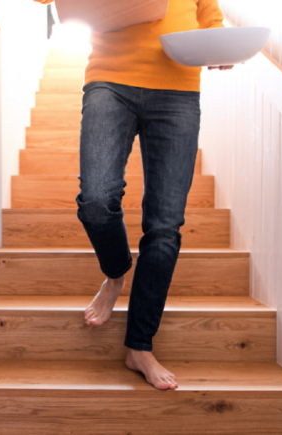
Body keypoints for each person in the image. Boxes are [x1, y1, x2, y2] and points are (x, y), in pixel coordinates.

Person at [34, 0, 233, 390]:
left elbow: (208, 9)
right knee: (95, 200)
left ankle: (139, 347)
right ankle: (115, 273)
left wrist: (218, 42)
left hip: (178, 89)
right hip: (111, 78)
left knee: (164, 227)